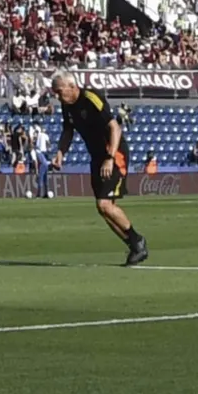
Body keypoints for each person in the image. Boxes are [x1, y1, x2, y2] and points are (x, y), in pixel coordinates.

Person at [53, 72, 146, 265]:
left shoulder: (91, 98)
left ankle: (138, 241)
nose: (56, 95)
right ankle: (134, 244)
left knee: (104, 204)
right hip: (97, 156)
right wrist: (61, 153)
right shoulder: (67, 105)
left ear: (72, 86)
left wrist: (110, 158)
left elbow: (115, 128)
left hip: (113, 153)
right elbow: (68, 131)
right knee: (103, 208)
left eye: (59, 91)